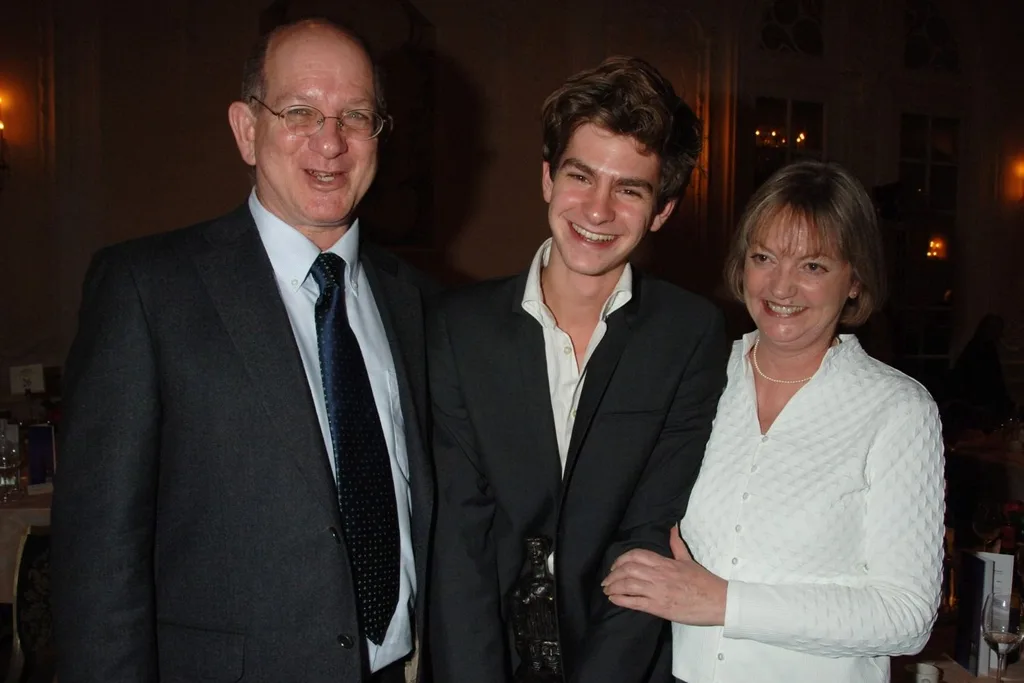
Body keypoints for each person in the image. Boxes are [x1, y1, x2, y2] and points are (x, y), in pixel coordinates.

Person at [52, 18, 434, 683]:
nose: (330, 140)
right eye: (299, 111)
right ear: (246, 128)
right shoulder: (148, 290)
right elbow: (97, 558)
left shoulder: (417, 299)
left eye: (356, 115)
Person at [428, 56, 728, 683]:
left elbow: (649, 535)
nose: (597, 210)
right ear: (546, 178)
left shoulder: (689, 334)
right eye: (580, 175)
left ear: (663, 209)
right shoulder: (456, 326)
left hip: (621, 660)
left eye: (629, 189)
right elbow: (461, 543)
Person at [602, 160, 945, 683]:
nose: (781, 287)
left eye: (813, 266)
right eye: (764, 257)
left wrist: (724, 603)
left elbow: (907, 618)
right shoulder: (696, 379)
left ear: (854, 280)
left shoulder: (897, 409)